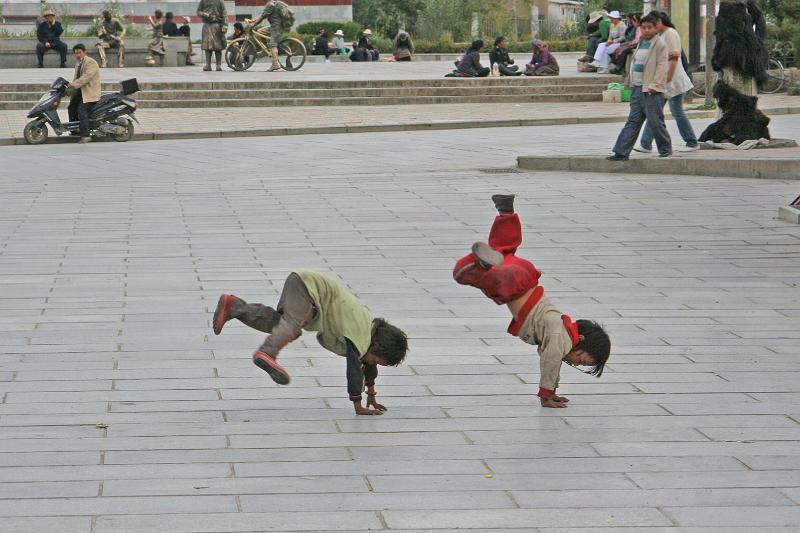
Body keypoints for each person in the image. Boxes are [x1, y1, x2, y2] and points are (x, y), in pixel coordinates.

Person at [453, 195, 611, 408]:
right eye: (580, 359)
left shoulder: (560, 329)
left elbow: (554, 361)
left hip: (524, 275)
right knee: (467, 275)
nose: (574, 362)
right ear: (580, 339)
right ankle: (480, 265)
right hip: (516, 286)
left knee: (504, 247)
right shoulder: (561, 337)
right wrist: (546, 395)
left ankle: (506, 214)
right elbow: (551, 361)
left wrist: (554, 391)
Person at [212, 272, 409, 416]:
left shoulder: (367, 330)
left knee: (278, 324)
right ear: (377, 346)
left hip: (304, 287)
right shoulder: (361, 334)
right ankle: (267, 353)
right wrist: (358, 404)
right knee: (292, 327)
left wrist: (372, 393)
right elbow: (355, 368)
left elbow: (368, 366)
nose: (373, 363)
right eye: (378, 360)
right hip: (308, 290)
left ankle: (235, 306)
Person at [607, 13, 672, 161]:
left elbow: (662, 66)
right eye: (644, 27)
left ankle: (665, 148)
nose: (646, 30)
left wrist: (655, 85)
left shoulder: (660, 44)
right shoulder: (641, 42)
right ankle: (621, 152)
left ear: (656, 28)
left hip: (651, 90)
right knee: (633, 120)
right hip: (637, 88)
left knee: (655, 121)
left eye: (650, 27)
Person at [636, 11, 699, 153]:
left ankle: (692, 141)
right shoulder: (660, 36)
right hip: (664, 81)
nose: (649, 28)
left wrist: (668, 78)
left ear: (659, 21)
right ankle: (645, 143)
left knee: (675, 111)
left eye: (652, 24)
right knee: (655, 112)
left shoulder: (670, 33)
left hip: (673, 80)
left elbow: (674, 57)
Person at [67, 44, 101, 144]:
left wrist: (74, 85)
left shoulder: (91, 62)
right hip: (81, 92)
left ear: (84, 52)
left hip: (90, 93)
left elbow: (86, 77)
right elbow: (76, 79)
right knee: (71, 107)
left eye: (79, 52)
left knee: (82, 110)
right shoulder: (78, 63)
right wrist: (67, 90)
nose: (77, 55)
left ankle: (86, 135)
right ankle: (75, 130)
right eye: (76, 53)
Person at [248, 0, 289, 71]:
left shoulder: (270, 5)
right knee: (260, 31)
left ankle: (276, 64)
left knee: (272, 44)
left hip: (276, 28)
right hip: (275, 27)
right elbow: (262, 15)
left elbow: (262, 17)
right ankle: (266, 49)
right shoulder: (273, 3)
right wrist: (252, 21)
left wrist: (253, 25)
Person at [197, 0, 227, 71]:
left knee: (218, 47)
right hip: (206, 25)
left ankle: (218, 65)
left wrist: (225, 26)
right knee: (207, 47)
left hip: (216, 25)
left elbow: (224, 14)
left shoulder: (220, 1)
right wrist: (204, 14)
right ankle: (208, 65)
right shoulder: (203, 1)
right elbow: (198, 11)